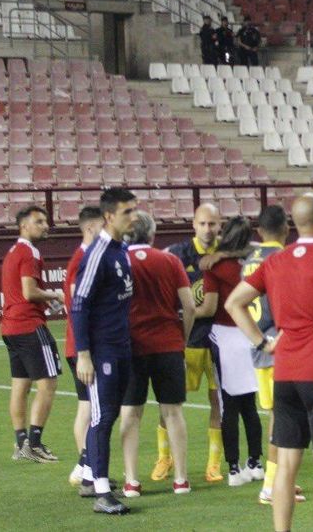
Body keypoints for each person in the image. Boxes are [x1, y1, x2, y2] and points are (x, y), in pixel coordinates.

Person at [224, 192, 313, 532]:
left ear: (294, 224)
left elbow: (234, 303)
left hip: (285, 370)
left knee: (285, 465)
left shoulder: (275, 262)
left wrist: (261, 342)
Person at [118, 211, 195, 498]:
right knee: (173, 412)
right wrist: (182, 339)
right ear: (152, 234)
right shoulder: (170, 260)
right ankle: (181, 479)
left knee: (130, 414)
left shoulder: (120, 261)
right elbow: (189, 306)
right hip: (167, 345)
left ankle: (132, 481)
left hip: (131, 347)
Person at [72, 188, 138, 514]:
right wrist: (84, 353)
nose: (134, 216)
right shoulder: (98, 254)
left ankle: (90, 478)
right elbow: (79, 304)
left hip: (121, 346)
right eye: (128, 212)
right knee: (103, 417)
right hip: (102, 351)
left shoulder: (120, 249)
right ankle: (101, 492)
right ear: (109, 216)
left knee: (108, 416)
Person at [240, 205, 308, 506]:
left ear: (259, 231)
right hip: (278, 347)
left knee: (277, 416)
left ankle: (280, 481)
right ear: (286, 230)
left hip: (257, 348)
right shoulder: (282, 259)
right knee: (281, 420)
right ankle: (270, 486)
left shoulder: (249, 260)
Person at [160, 203, 226, 484]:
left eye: (212, 224)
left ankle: (214, 463)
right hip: (186, 338)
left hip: (220, 339)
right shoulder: (177, 254)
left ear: (220, 225)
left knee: (218, 402)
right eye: (203, 224)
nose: (208, 229)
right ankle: (165, 457)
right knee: (170, 403)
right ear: (194, 225)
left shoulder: (229, 252)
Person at [199, 217, 265, 487]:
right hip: (251, 333)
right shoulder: (256, 260)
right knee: (251, 404)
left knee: (229, 406)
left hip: (225, 335)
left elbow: (211, 306)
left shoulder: (214, 266)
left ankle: (234, 468)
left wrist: (187, 313)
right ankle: (256, 462)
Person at [1, 204, 65, 464]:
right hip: (29, 326)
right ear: (24, 225)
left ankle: (21, 444)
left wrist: (44, 300)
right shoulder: (29, 252)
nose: (45, 226)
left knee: (20, 384)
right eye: (39, 222)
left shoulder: (13, 251)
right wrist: (56, 295)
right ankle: (35, 444)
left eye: (45, 222)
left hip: (10, 326)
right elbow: (29, 292)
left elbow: (22, 293)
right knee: (48, 383)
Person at [66, 207, 104, 486]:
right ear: (91, 229)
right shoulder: (82, 259)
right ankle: (84, 464)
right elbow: (77, 302)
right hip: (83, 348)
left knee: (87, 405)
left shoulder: (84, 258)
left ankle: (86, 464)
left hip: (79, 345)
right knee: (91, 407)